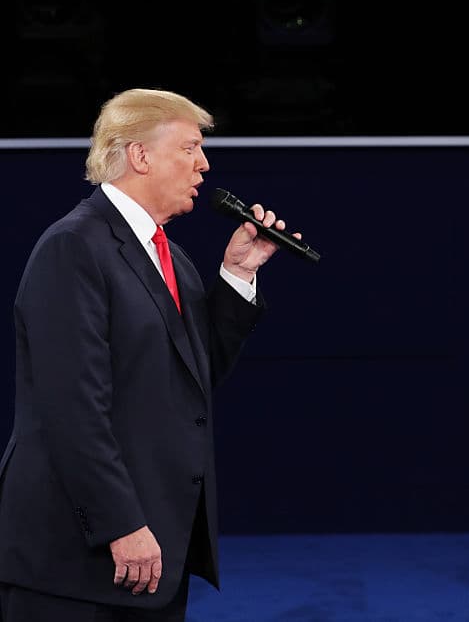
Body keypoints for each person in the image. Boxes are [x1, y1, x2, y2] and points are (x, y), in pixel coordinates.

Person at [0, 88, 295, 620]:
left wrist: (238, 275)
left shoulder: (169, 254)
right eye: (189, 148)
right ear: (139, 155)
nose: (204, 164)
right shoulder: (73, 247)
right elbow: (74, 407)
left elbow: (191, 379)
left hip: (154, 551)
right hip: (82, 562)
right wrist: (120, 524)